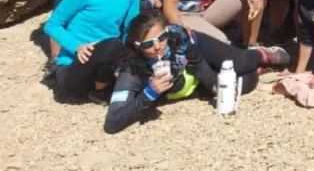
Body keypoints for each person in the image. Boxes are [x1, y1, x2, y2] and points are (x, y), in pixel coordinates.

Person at [104, 9, 288, 134]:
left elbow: (198, 64)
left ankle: (260, 54)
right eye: (147, 44)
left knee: (240, 63)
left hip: (198, 51)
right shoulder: (133, 69)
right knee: (245, 83)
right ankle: (256, 70)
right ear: (137, 46)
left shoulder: (178, 39)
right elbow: (112, 123)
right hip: (187, 86)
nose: (157, 46)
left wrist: (215, 85)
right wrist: (149, 92)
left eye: (161, 37)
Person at [43, 0, 139, 101]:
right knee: (113, 45)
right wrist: (77, 47)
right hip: (73, 66)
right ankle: (99, 91)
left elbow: (130, 26)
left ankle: (102, 86)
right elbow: (52, 25)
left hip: (107, 60)